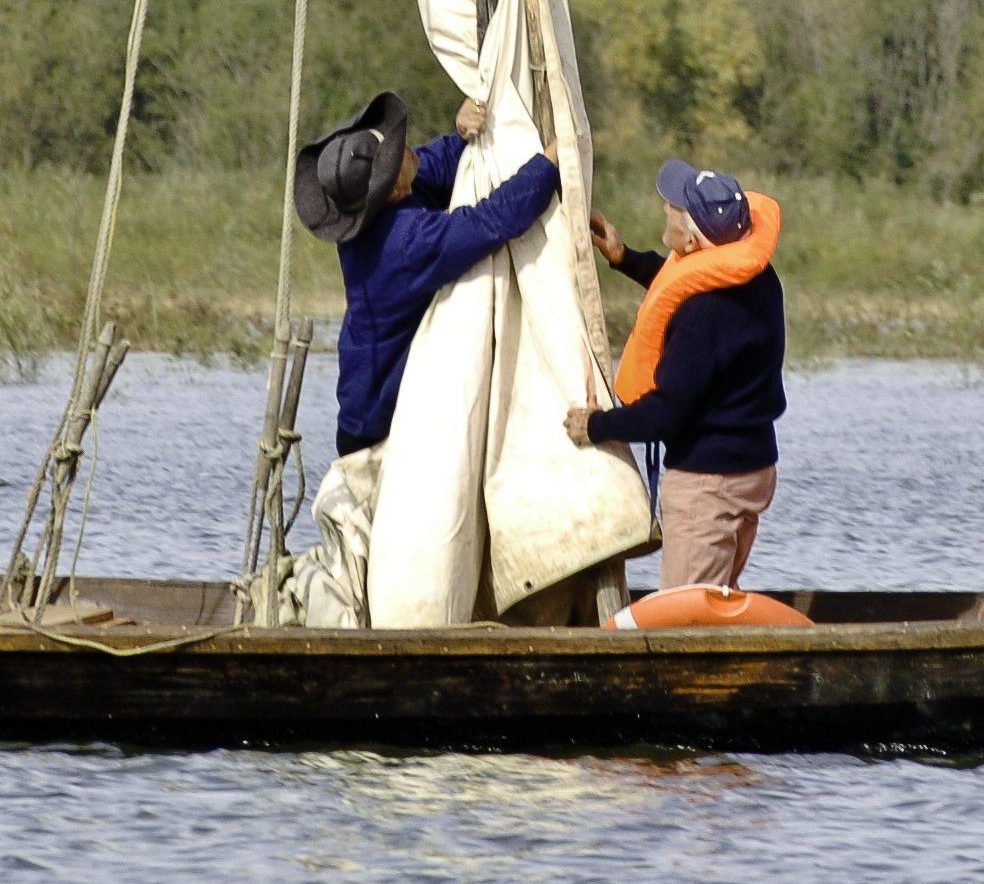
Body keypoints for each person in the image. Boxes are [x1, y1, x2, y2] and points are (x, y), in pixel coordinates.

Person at [286, 86, 560, 623]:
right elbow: (486, 223)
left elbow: (427, 167)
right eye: (396, 154)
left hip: (375, 403)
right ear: (389, 192)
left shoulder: (381, 212)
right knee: (388, 552)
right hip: (378, 421)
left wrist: (461, 139)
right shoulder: (402, 242)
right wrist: (547, 168)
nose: (406, 150)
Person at [560, 157, 786, 594]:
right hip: (754, 471)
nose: (665, 206)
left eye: (674, 206)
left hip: (709, 483)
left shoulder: (703, 316)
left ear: (694, 236)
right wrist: (624, 259)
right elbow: (681, 283)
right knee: (718, 598)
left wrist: (595, 426)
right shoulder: (760, 280)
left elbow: (665, 415)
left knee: (687, 614)